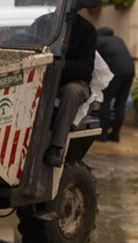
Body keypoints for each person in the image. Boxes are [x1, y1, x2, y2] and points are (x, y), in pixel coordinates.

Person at [33, 9, 97, 167]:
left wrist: (62, 64)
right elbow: (28, 42)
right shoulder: (42, 22)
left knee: (72, 91)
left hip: (71, 82)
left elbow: (85, 67)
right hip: (41, 78)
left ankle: (56, 147)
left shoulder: (86, 29)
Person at [95, 27, 135, 142]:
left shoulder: (99, 41)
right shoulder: (118, 39)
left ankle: (102, 134)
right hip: (130, 70)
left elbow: (96, 61)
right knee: (120, 104)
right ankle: (115, 134)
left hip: (116, 71)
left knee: (105, 101)